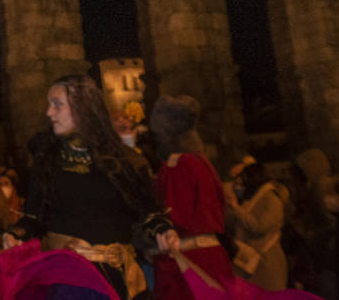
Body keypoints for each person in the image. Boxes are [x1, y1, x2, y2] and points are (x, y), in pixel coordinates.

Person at [15, 73, 177, 299]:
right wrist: (17, 233)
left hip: (117, 279)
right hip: (64, 282)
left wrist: (163, 229)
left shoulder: (126, 162)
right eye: (49, 105)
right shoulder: (46, 161)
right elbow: (34, 218)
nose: (49, 112)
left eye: (57, 105)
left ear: (83, 108)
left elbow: (148, 212)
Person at [148, 95, 233, 299]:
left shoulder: (178, 164)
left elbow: (175, 218)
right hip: (213, 257)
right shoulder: (202, 161)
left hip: (188, 262)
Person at [226, 158, 287, 289]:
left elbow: (259, 226)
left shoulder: (271, 199)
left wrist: (237, 208)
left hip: (267, 262)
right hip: (256, 262)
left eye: (243, 181)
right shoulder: (255, 199)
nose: (240, 186)